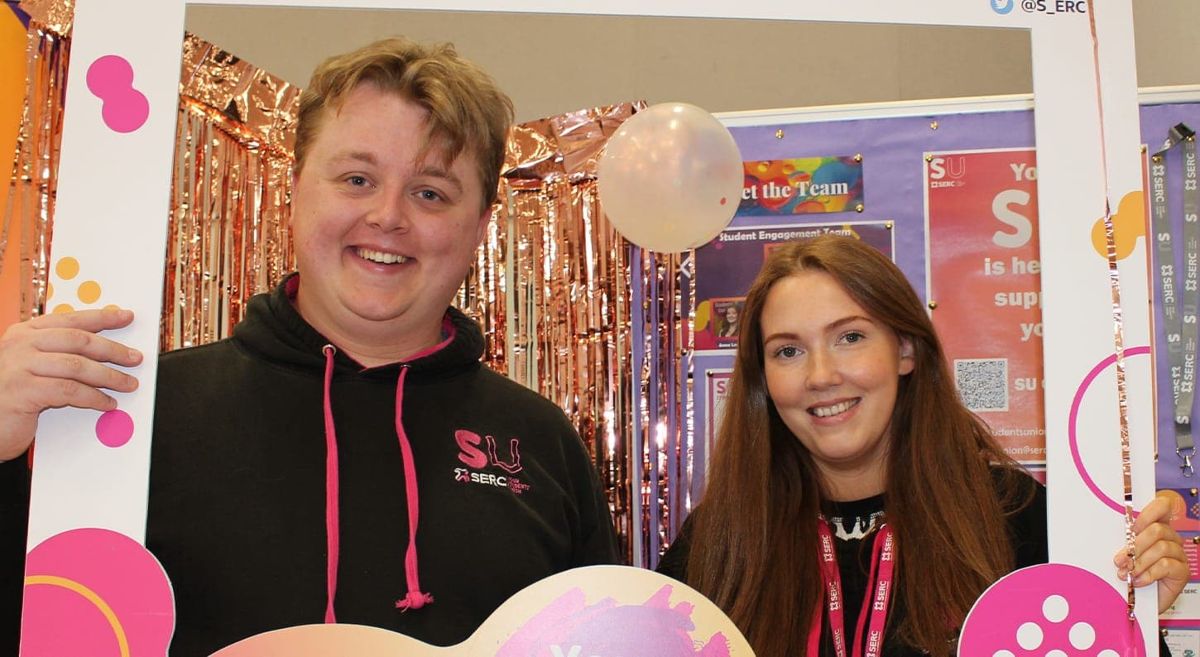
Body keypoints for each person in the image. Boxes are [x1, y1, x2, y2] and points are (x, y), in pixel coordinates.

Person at [0, 37, 620, 655]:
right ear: (296, 189)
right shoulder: (134, 413)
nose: (388, 216)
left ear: (481, 224)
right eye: (357, 178)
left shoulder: (541, 445)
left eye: (430, 192)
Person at [657, 235, 1187, 657]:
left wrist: (1133, 621)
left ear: (905, 350)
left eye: (850, 337)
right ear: (763, 380)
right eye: (789, 350)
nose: (820, 376)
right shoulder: (717, 543)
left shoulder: (1015, 519)